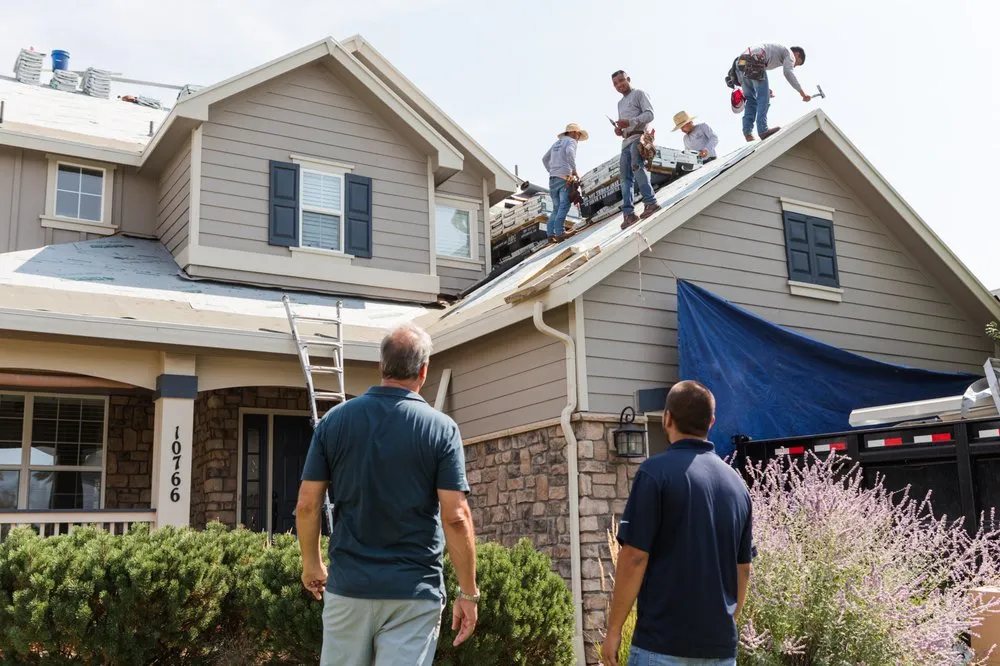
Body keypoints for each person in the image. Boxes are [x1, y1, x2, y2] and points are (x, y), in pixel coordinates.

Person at [296, 323, 479, 666]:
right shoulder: (441, 429)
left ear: (381, 365)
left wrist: (312, 564)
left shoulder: (334, 422)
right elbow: (456, 517)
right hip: (413, 593)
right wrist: (468, 592)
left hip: (348, 588)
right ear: (424, 371)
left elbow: (307, 504)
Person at [601, 381, 754, 666]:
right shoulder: (737, 485)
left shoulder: (654, 474)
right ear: (711, 422)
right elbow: (743, 568)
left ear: (667, 418)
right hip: (720, 651)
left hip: (662, 647)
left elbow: (634, 557)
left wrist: (613, 631)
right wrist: (727, 622)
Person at [611, 70, 661, 229]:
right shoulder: (619, 103)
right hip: (626, 141)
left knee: (637, 167)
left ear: (628, 79)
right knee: (625, 178)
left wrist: (630, 122)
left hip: (639, 138)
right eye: (615, 83)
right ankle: (629, 214)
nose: (619, 85)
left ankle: (651, 202)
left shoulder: (639, 93)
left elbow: (650, 115)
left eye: (621, 80)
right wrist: (620, 131)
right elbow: (626, 126)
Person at [735, 44, 810, 142]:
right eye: (797, 63)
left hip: (741, 63)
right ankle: (763, 130)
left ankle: (748, 133)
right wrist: (802, 93)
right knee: (763, 98)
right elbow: (788, 72)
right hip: (754, 61)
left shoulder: (774, 50)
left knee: (751, 100)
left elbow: (756, 76)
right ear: (797, 54)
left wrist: (765, 89)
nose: (794, 66)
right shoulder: (790, 53)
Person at [541, 122, 588, 242]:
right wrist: (574, 170)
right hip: (564, 178)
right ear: (573, 133)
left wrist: (552, 171)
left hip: (553, 179)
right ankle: (560, 232)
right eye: (578, 135)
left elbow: (544, 159)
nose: (578, 138)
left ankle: (550, 235)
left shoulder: (556, 143)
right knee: (564, 205)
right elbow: (570, 153)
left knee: (556, 208)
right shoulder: (571, 141)